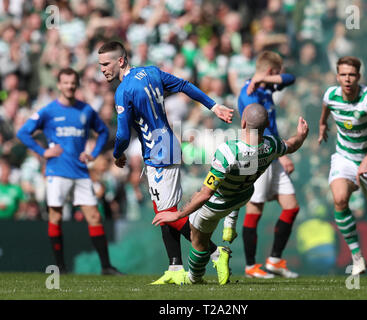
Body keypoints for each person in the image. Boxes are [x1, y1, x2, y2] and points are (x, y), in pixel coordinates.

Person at [97, 41, 235, 284]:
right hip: (168, 144)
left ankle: (215, 252)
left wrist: (118, 154)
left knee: (167, 213)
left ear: (120, 61)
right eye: (100, 65)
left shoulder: (123, 91)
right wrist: (213, 106)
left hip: (158, 152)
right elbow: (184, 85)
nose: (102, 69)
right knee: (163, 209)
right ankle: (175, 268)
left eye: (106, 64)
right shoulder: (151, 72)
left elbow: (121, 134)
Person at [152, 103, 309, 285]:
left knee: (198, 240)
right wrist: (301, 135)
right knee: (231, 189)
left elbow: (205, 194)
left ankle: (195, 277)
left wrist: (177, 214)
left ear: (243, 123)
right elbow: (291, 145)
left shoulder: (228, 151)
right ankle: (229, 226)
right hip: (243, 196)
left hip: (218, 203)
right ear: (266, 126)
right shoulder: (272, 145)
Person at [17, 67, 122, 275]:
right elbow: (23, 132)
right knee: (55, 217)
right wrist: (43, 152)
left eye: (73, 82)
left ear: (77, 84)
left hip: (81, 171)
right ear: (59, 85)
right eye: (65, 82)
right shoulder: (48, 111)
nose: (69, 86)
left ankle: (106, 267)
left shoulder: (86, 110)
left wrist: (94, 154)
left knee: (94, 216)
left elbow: (103, 132)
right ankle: (61, 267)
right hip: (57, 171)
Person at [318, 56, 367, 279]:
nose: (347, 79)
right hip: (344, 157)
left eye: (352, 75)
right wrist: (323, 125)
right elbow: (326, 108)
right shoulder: (331, 95)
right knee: (339, 198)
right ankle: (357, 257)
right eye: (343, 75)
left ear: (359, 77)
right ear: (337, 76)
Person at [223, 51, 300, 279]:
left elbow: (290, 79)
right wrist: (282, 153)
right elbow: (258, 129)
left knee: (291, 206)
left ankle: (275, 260)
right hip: (259, 156)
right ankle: (250, 266)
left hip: (273, 154)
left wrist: (265, 79)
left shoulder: (266, 86)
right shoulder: (249, 93)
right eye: (276, 73)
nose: (279, 78)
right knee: (254, 209)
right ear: (269, 71)